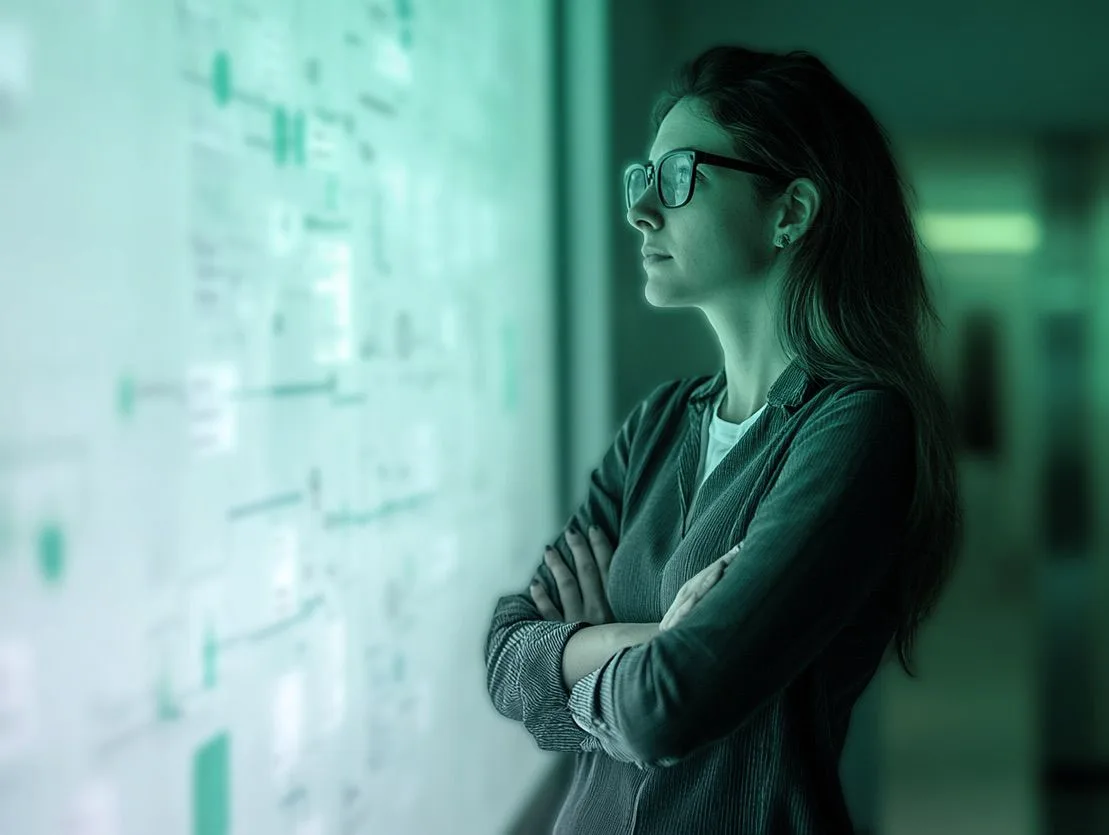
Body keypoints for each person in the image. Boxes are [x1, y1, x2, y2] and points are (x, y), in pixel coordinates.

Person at [484, 44, 963, 834]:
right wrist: (652, 636)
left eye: (678, 176)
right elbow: (505, 653)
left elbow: (663, 711)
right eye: (643, 179)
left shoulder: (854, 424)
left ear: (790, 212)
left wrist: (576, 657)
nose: (642, 209)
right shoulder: (660, 422)